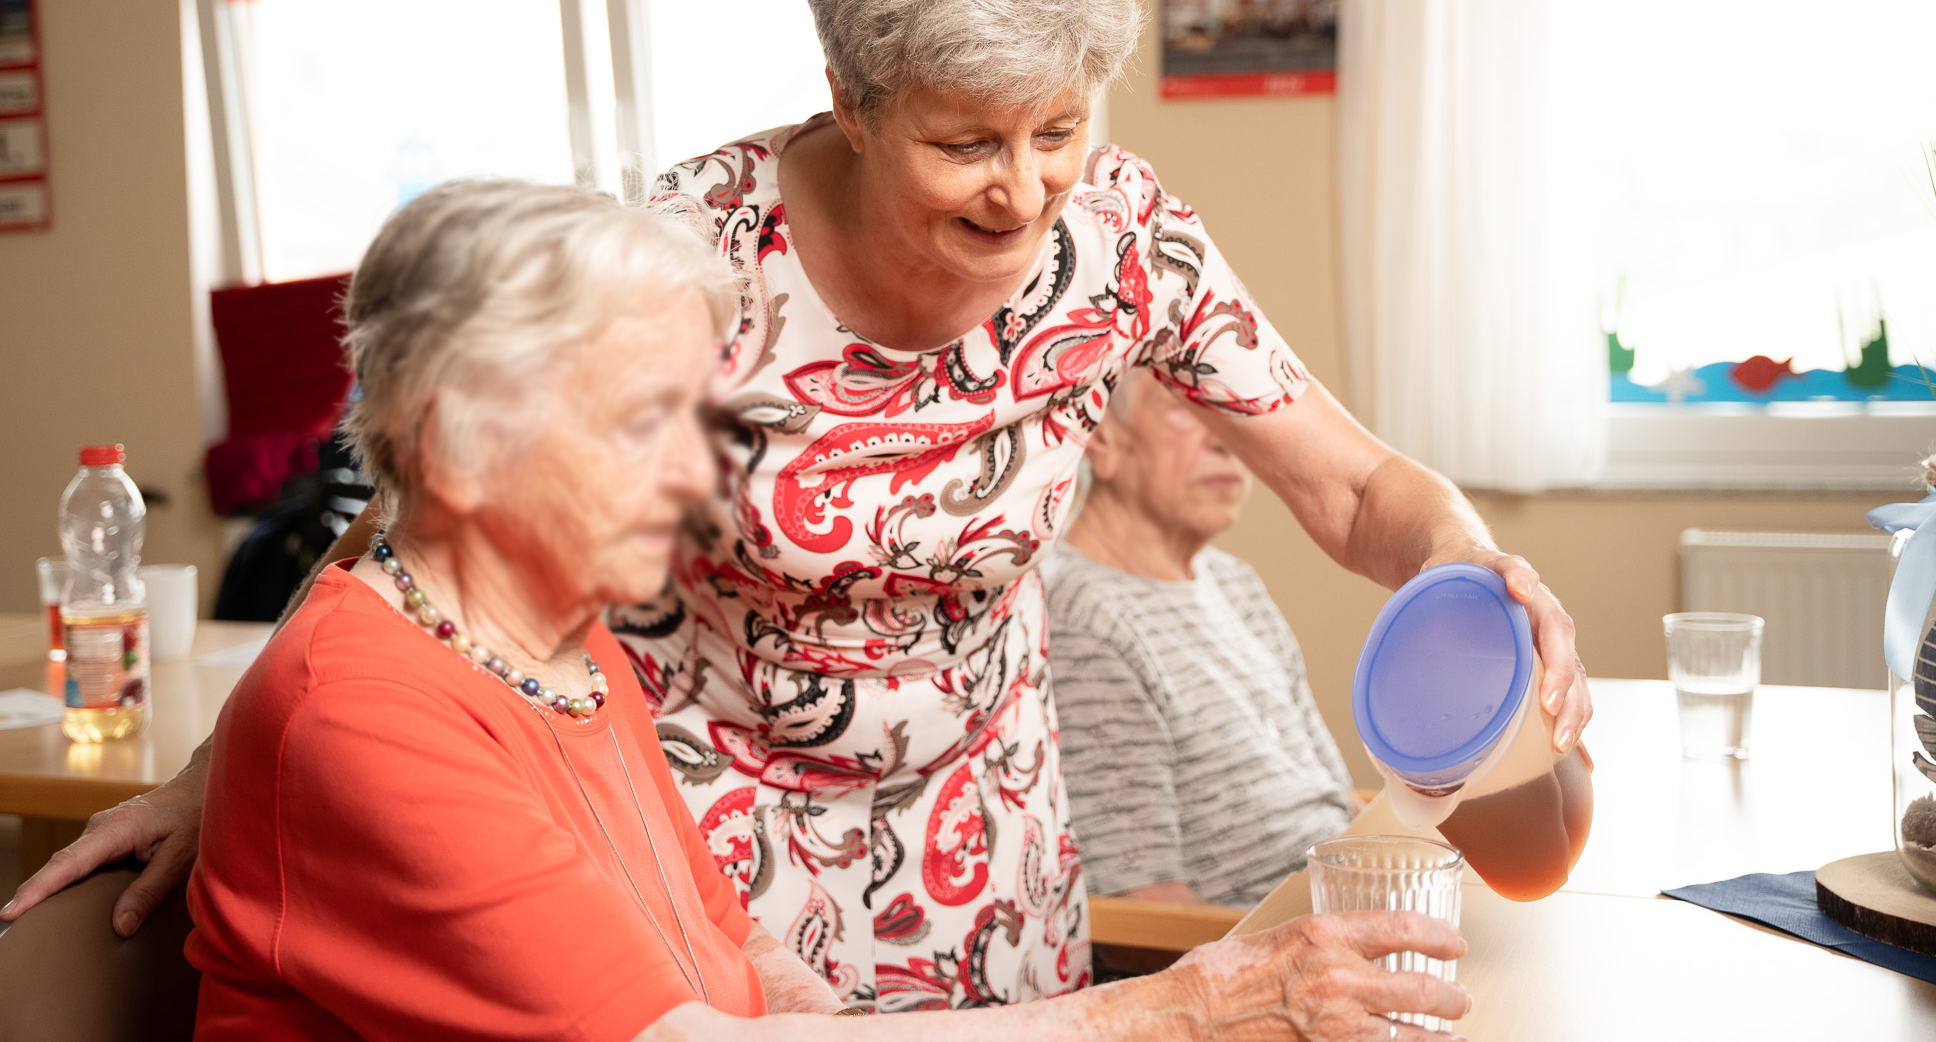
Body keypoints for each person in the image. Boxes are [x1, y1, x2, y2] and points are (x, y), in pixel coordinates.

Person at [7, 0, 1591, 1013]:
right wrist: (220, 772)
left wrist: (1477, 566)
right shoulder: (693, 256)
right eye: (968, 140)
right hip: (716, 842)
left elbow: (1355, 483)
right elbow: (437, 517)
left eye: (1059, 127)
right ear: (851, 95)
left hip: (992, 817)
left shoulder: (1119, 239)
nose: (1027, 189)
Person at [185, 178, 1471, 1040]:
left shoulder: (565, 647)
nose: (707, 480)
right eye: (644, 426)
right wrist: (1181, 1007)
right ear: (459, 448)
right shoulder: (369, 712)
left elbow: (753, 973)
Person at [1045, 370, 1354, 910]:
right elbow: (1145, 901)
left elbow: (1334, 799)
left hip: (1354, 901)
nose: (1225, 439)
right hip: (1275, 952)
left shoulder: (1236, 582)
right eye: (1188, 409)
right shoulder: (1083, 617)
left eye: (1234, 413)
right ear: (1103, 438)